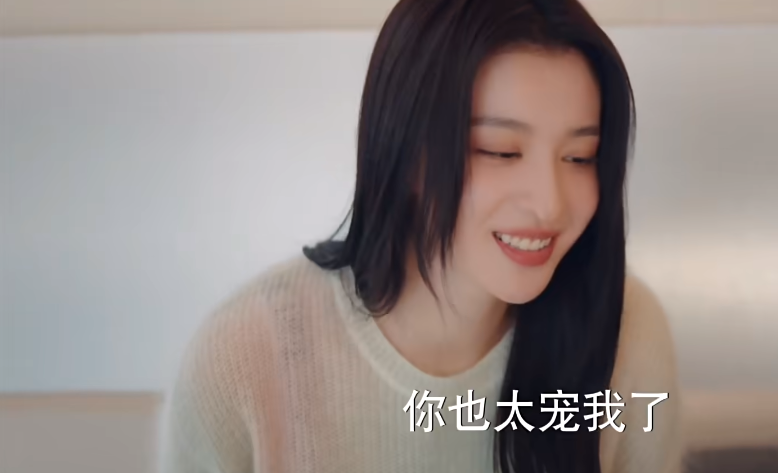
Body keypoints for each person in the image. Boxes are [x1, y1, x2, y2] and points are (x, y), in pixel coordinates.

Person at [160, 0, 682, 471]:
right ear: (405, 150)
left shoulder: (630, 333)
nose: (550, 204)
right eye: (500, 151)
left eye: (580, 157)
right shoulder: (245, 360)